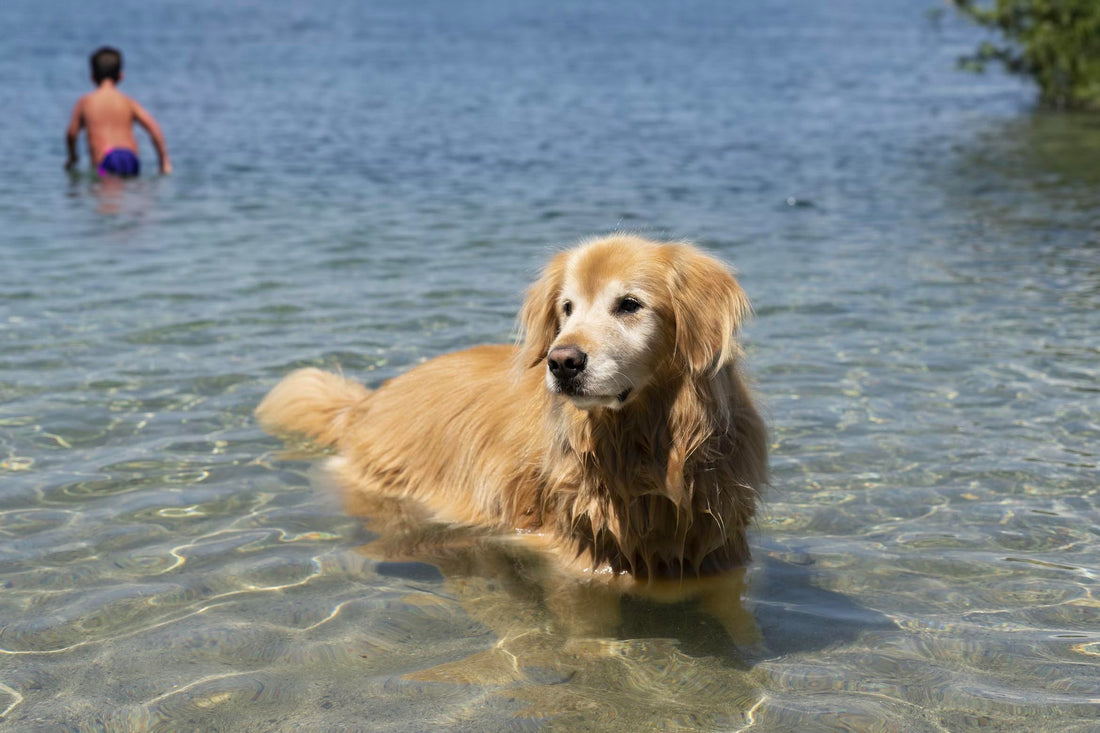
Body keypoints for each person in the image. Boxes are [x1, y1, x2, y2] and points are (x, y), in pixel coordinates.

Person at [65, 47, 171, 177]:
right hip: (130, 158)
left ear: (92, 77)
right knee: (129, 193)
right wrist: (164, 161)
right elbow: (153, 127)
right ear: (121, 76)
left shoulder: (85, 102)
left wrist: (72, 157)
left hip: (106, 159)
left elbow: (71, 134)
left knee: (105, 193)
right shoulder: (128, 102)